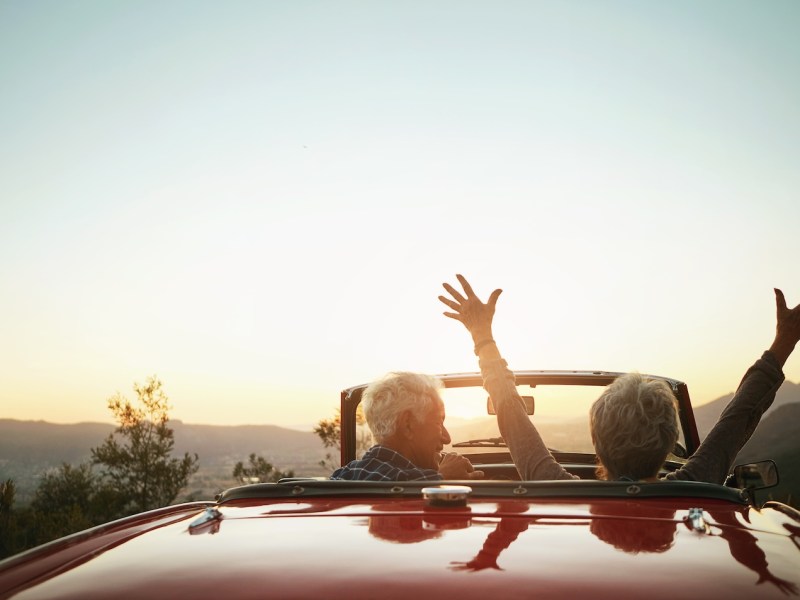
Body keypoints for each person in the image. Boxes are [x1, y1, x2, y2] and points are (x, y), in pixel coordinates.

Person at [438, 274, 800, 483]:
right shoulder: (696, 481)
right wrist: (783, 343)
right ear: (668, 442)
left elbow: (509, 410)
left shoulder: (554, 484)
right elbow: (740, 416)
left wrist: (482, 336)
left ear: (597, 443)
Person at [331, 371, 484, 481]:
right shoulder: (396, 479)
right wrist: (441, 478)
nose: (447, 438)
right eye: (438, 422)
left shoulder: (344, 476)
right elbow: (390, 485)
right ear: (408, 424)